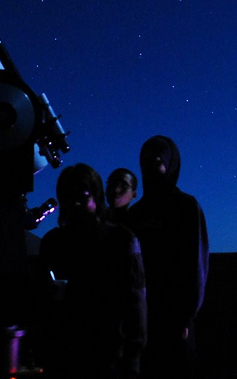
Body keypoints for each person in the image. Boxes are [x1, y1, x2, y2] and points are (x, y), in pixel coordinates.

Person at [38, 163, 147, 379]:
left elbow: (136, 309)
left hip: (110, 361)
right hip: (64, 359)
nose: (74, 202)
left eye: (81, 195)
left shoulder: (121, 241)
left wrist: (131, 363)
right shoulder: (53, 243)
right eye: (68, 196)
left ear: (96, 196)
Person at [127, 136, 209, 379]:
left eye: (158, 161)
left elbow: (196, 263)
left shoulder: (185, 206)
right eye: (146, 161)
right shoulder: (137, 213)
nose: (152, 166)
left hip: (174, 317)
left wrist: (186, 316)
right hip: (141, 315)